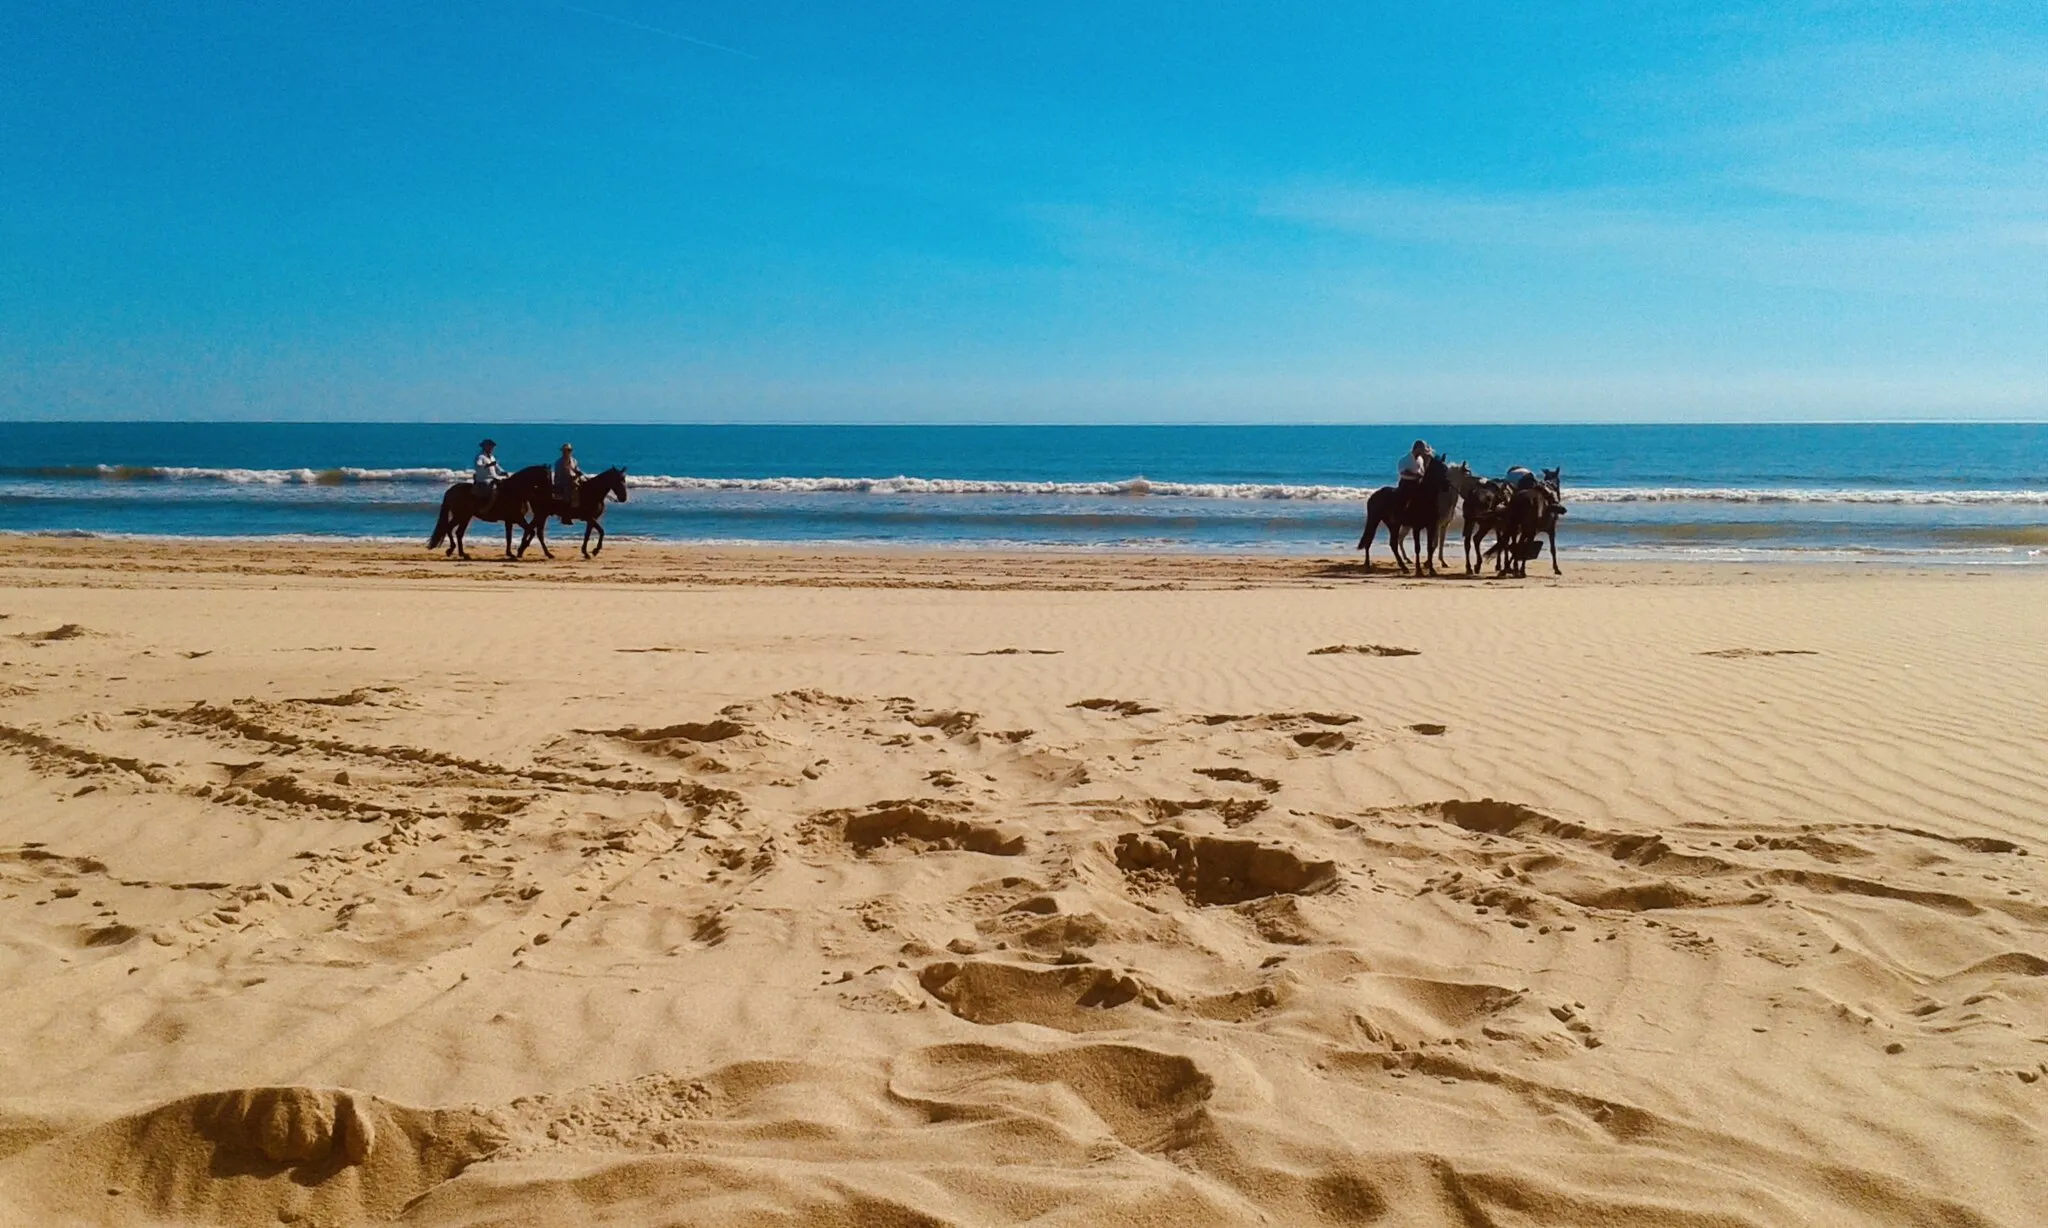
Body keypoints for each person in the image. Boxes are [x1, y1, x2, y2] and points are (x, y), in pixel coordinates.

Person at [472, 439, 508, 517]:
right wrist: (488, 465)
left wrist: (503, 472)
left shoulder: (492, 457)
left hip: (494, 477)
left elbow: (497, 468)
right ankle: (485, 508)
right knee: (494, 490)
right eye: (490, 447)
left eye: (492, 447)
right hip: (484, 479)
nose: (491, 449)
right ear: (485, 447)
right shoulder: (480, 456)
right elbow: (478, 466)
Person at [553, 443, 583, 525]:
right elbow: (560, 474)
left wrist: (579, 473)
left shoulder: (574, 460)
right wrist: (570, 478)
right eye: (566, 451)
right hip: (563, 482)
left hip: (573, 480)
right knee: (567, 493)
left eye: (569, 450)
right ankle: (565, 516)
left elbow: (576, 469)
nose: (567, 452)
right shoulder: (559, 462)